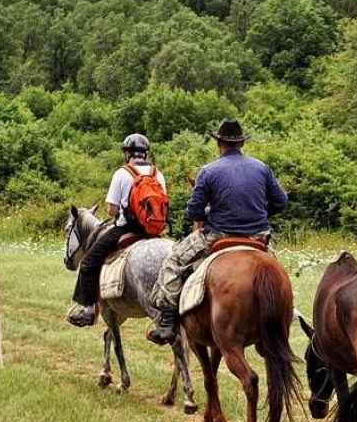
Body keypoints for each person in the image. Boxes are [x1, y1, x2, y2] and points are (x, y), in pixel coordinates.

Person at [146, 119, 288, 345]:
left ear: (219, 143)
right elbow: (281, 201)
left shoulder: (208, 171)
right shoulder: (262, 168)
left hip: (218, 234)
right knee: (278, 271)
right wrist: (259, 213)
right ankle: (284, 314)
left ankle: (167, 323)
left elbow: (194, 211)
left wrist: (211, 212)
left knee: (173, 262)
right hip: (258, 236)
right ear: (241, 143)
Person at [66, 133, 167, 327]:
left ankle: (87, 309)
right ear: (145, 153)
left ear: (127, 153)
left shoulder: (122, 173)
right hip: (153, 231)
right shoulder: (157, 174)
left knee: (88, 263)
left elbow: (112, 209)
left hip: (126, 228)